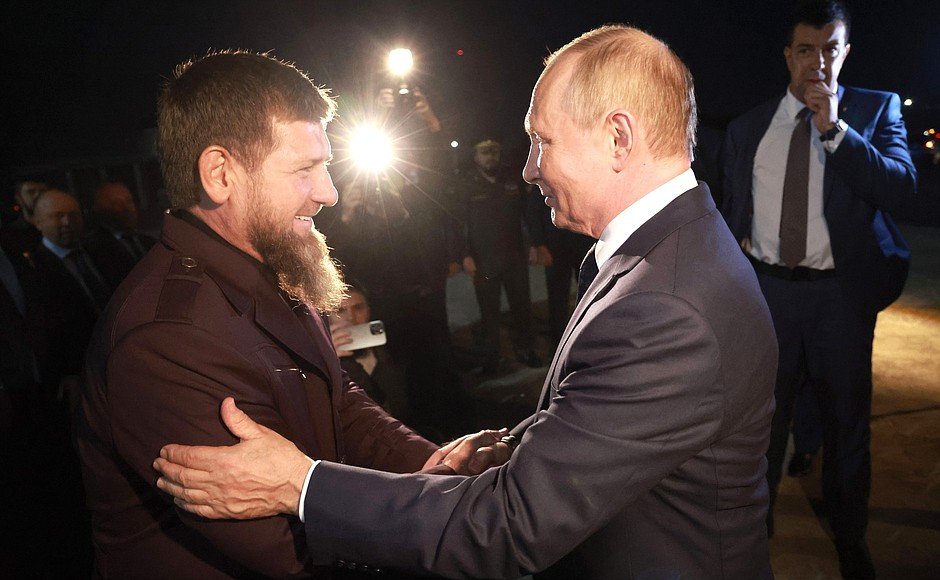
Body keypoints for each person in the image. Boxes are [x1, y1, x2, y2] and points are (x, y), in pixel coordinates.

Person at [155, 26, 778, 579]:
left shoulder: (667, 304)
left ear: (619, 137)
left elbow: (508, 528)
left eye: (542, 141)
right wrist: (521, 447)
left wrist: (301, 485)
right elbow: (620, 415)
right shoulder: (673, 251)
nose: (529, 169)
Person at [74, 50, 506, 579]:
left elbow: (336, 400)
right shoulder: (168, 338)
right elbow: (285, 550)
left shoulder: (269, 262)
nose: (329, 192)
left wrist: (429, 465)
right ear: (220, 174)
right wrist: (443, 521)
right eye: (304, 169)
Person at [719, 2, 916, 576]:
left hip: (839, 301)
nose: (818, 61)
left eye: (831, 48)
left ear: (845, 53)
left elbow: (901, 189)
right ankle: (754, 537)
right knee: (760, 430)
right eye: (807, 49)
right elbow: (733, 219)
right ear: (789, 55)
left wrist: (834, 129)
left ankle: (850, 537)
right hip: (768, 300)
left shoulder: (875, 111)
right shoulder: (749, 127)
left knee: (846, 427)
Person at [455, 138, 541, 372]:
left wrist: (533, 244)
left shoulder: (511, 180)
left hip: (513, 256)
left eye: (494, 150)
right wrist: (465, 255)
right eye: (484, 151)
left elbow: (525, 216)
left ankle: (526, 350)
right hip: (483, 260)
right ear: (475, 157)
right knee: (489, 312)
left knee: (522, 307)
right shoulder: (467, 185)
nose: (490, 156)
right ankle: (492, 360)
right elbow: (460, 224)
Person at [329, 283, 409, 418]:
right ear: (328, 316)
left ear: (369, 310)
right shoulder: (324, 361)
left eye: (358, 308)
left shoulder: (391, 350)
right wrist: (331, 361)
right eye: (340, 310)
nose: (351, 317)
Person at [85, 180, 157, 287]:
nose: (127, 208)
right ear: (100, 209)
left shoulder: (150, 242)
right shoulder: (93, 249)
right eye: (116, 204)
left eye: (128, 201)